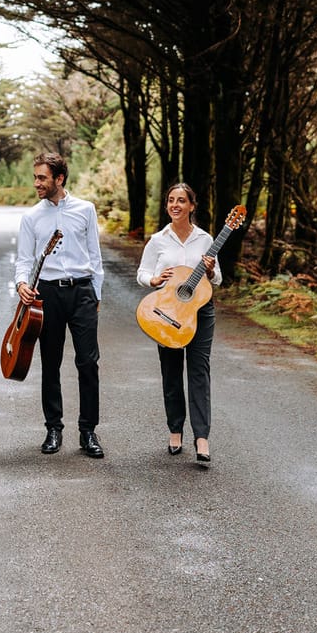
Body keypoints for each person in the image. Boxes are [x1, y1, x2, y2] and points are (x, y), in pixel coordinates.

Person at [15, 152, 105, 458]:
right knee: (50, 362)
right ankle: (53, 429)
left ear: (59, 179)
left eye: (42, 177)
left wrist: (97, 294)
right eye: (36, 177)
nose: (37, 183)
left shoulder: (85, 210)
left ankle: (88, 431)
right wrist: (22, 285)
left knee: (88, 363)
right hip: (47, 295)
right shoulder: (31, 217)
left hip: (81, 293)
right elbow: (24, 260)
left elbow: (95, 255)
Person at [136, 181, 221, 468]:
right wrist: (154, 280)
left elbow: (217, 278)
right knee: (171, 372)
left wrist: (210, 270)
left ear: (191, 206)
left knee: (199, 372)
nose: (175, 205)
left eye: (181, 200)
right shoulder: (158, 240)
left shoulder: (205, 239)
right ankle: (175, 431)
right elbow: (143, 272)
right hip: (168, 314)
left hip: (200, 313)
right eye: (171, 200)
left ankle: (202, 438)